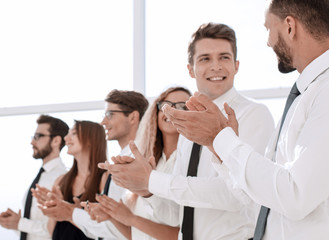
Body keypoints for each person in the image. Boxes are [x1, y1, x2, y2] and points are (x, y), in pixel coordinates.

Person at [161, 0, 329, 239]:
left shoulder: (324, 91)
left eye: (267, 28)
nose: (268, 41)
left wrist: (222, 138)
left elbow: (295, 196)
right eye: (205, 59)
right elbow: (261, 195)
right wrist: (219, 148)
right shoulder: (305, 96)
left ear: (289, 27)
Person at [104, 23, 275, 239]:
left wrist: (152, 180)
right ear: (190, 69)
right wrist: (146, 190)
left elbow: (235, 194)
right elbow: (177, 214)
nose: (216, 66)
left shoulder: (253, 115)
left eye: (224, 57)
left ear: (236, 65)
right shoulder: (186, 129)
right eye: (205, 59)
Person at [33, 89, 149, 240]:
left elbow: (125, 230)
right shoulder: (120, 161)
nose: (103, 122)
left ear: (133, 117)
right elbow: (112, 228)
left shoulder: (138, 162)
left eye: (110, 114)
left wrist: (72, 213)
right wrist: (72, 213)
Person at [95, 87, 191, 240]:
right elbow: (134, 235)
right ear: (156, 112)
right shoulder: (148, 162)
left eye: (182, 106)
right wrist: (111, 215)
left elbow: (179, 232)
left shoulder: (191, 164)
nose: (172, 111)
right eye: (166, 105)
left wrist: (145, 192)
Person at [0, 115, 69, 240]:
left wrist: (20, 223)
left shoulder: (62, 177)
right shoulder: (43, 175)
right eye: (33, 137)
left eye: (38, 136)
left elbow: (56, 230)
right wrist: (15, 224)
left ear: (56, 141)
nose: (32, 142)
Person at [37, 120, 108, 239]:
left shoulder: (104, 178)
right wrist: (52, 208)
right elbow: (51, 231)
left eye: (74, 133)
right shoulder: (61, 181)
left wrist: (71, 213)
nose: (66, 138)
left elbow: (107, 231)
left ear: (90, 139)